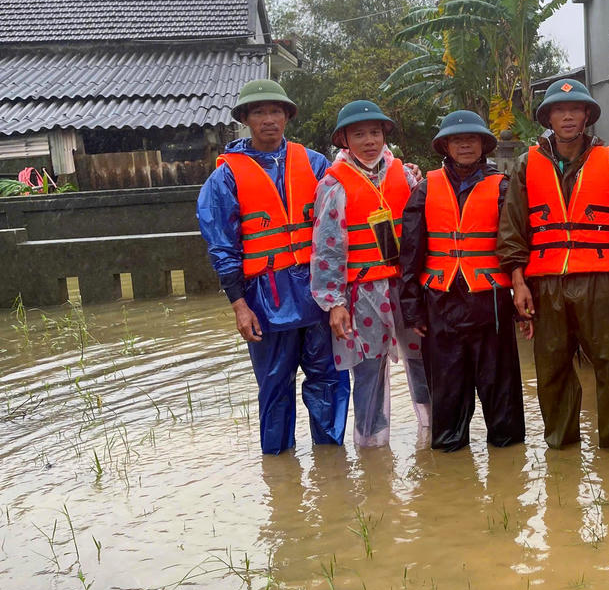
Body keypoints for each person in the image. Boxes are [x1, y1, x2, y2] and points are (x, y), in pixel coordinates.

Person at [197, 79, 350, 455]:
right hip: (265, 299)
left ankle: (333, 470)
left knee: (329, 382)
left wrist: (340, 298)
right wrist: (239, 305)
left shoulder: (315, 164)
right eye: (260, 112)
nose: (269, 119)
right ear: (246, 119)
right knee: (274, 387)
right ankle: (280, 476)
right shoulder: (225, 178)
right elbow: (222, 245)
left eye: (276, 111)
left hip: (319, 296)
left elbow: (339, 226)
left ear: (287, 116)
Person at [498, 78, 609, 451]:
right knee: (552, 368)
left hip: (598, 280)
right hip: (546, 282)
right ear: (549, 118)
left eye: (575, 110)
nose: (568, 116)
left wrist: (607, 262)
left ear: (587, 115)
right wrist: (518, 282)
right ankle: (561, 445)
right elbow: (513, 228)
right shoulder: (526, 166)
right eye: (559, 110)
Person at [397, 110, 525, 452]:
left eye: (472, 138)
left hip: (491, 302)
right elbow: (410, 252)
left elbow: (517, 244)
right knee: (448, 393)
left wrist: (523, 298)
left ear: (483, 145)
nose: (465, 144)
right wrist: (411, 308)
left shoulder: (502, 188)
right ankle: (451, 471)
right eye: (457, 139)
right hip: (440, 302)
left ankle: (509, 466)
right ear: (446, 146)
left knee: (501, 391)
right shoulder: (424, 190)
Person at [309, 100, 430, 447]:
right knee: (368, 370)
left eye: (375, 132)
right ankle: (372, 446)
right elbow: (327, 249)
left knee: (423, 359)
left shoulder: (404, 175)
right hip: (362, 292)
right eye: (359, 134)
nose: (369, 141)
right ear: (345, 139)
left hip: (406, 287)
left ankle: (434, 431)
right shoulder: (334, 185)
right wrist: (334, 302)